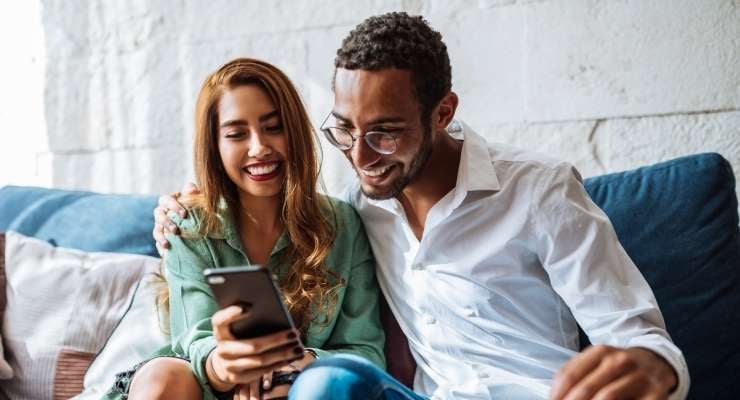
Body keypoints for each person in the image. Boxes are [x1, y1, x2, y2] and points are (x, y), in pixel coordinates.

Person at [155, 13, 689, 400]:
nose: (360, 157)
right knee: (326, 384)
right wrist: (183, 204)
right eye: (345, 129)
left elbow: (638, 336)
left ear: (442, 112)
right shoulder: (356, 210)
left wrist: (650, 368)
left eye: (384, 134)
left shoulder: (539, 190)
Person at [109, 57, 385, 400]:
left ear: (294, 132)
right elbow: (193, 339)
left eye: (273, 127)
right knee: (164, 379)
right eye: (237, 134)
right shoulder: (189, 223)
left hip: (300, 386)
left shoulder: (343, 224)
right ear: (216, 146)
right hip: (203, 383)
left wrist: (300, 364)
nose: (259, 147)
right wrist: (225, 366)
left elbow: (365, 351)